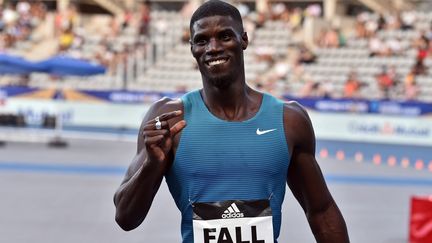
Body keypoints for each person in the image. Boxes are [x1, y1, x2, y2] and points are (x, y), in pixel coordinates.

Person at [113, 1, 349, 242]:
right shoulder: (169, 119)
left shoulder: (289, 121)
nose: (213, 48)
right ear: (192, 47)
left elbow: (321, 212)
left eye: (224, 36)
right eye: (202, 40)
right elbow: (125, 218)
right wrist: (152, 165)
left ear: (243, 40)